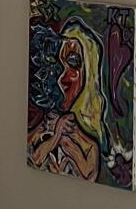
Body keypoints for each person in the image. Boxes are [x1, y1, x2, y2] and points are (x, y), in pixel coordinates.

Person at [27, 21, 106, 180]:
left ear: (88, 73)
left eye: (73, 62)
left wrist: (62, 137)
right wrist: (56, 135)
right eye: (57, 62)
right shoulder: (43, 126)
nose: (62, 75)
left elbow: (89, 173)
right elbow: (32, 157)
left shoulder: (88, 143)